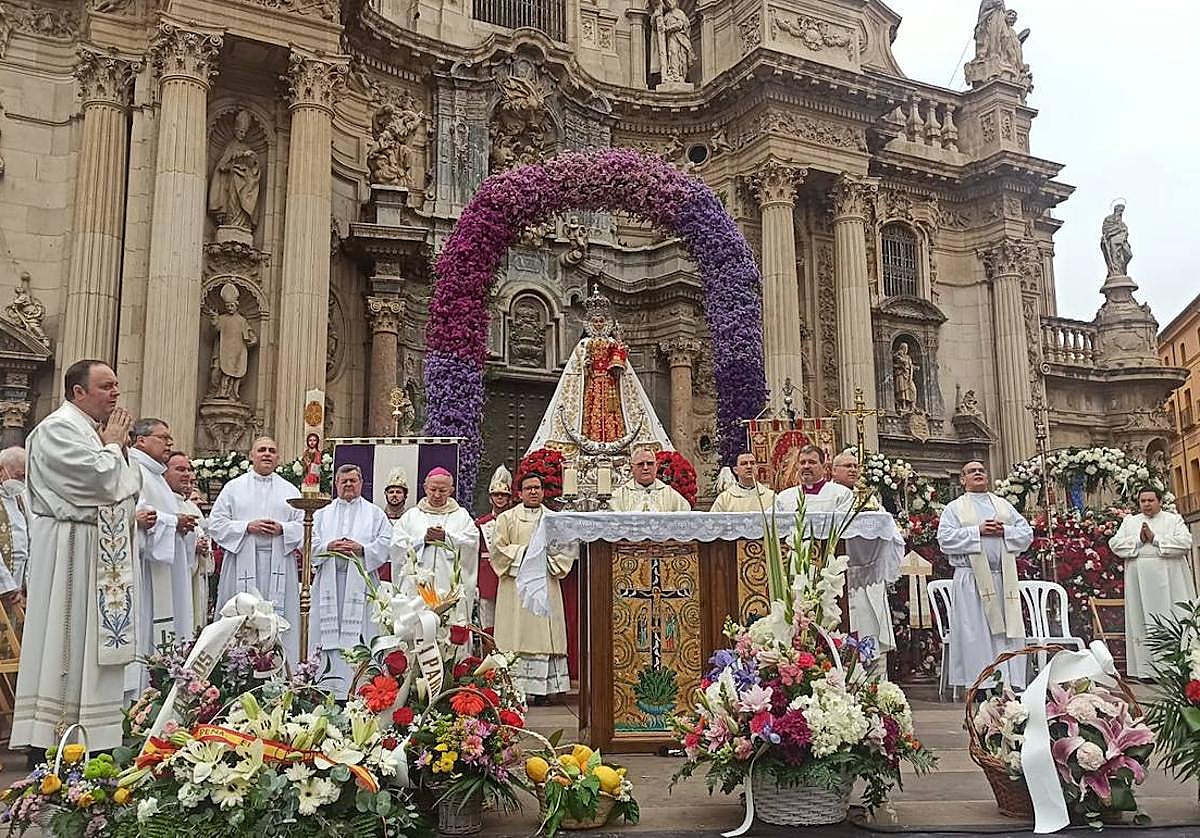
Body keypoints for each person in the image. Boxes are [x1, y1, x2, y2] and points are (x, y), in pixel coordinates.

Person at [12, 359, 141, 752]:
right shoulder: (57, 430)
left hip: (95, 550)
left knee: (90, 643)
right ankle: (53, 734)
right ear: (77, 392)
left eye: (117, 385)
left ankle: (94, 732)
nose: (115, 394)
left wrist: (114, 451)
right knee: (65, 638)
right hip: (68, 549)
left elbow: (128, 487)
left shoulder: (89, 432)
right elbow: (102, 482)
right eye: (106, 386)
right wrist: (115, 447)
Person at [936, 460, 1033, 690]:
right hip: (972, 581)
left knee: (1006, 634)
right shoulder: (955, 508)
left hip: (1003, 580)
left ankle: (1009, 683)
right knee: (977, 633)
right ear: (962, 479)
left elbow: (1026, 534)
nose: (977, 473)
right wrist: (976, 531)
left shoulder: (1003, 506)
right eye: (971, 471)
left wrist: (1005, 530)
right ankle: (981, 685)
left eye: (981, 470)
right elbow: (945, 540)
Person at [208, 436, 304, 662]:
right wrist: (246, 527)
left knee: (282, 619)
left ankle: (283, 671)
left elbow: (305, 527)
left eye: (272, 450)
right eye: (262, 450)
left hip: (279, 562)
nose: (267, 454)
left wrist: (282, 528)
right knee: (239, 618)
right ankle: (235, 668)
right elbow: (216, 524)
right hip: (241, 559)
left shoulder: (289, 490)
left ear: (278, 457)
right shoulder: (233, 488)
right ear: (251, 455)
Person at [491, 473, 577, 703]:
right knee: (516, 635)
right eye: (528, 488)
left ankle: (546, 691)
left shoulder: (554, 520)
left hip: (546, 582)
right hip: (516, 588)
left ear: (543, 491)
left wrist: (543, 559)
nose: (533, 492)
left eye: (537, 487)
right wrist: (529, 554)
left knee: (543, 636)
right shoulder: (507, 519)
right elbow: (498, 551)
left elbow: (566, 550)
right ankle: (514, 690)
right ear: (519, 493)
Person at [311, 465, 392, 696]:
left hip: (362, 584)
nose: (348, 485)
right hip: (329, 581)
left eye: (353, 481)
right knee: (325, 633)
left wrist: (362, 548)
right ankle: (324, 685)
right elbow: (308, 541)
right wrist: (328, 546)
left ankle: (361, 687)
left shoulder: (375, 513)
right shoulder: (322, 514)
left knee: (363, 632)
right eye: (344, 481)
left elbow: (387, 542)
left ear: (361, 483)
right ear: (336, 484)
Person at [1108, 487, 1195, 680]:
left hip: (1171, 580)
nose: (1146, 504)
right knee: (1141, 620)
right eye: (1143, 501)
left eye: (1150, 500)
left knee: (1172, 619)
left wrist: (1155, 539)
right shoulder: (1131, 522)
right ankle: (1145, 670)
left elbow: (1184, 543)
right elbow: (1115, 544)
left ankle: (1174, 669)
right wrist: (1139, 541)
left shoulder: (1173, 520)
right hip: (1139, 581)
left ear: (1160, 501)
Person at [129, 419, 197, 653]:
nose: (169, 443)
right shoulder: (133, 469)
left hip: (168, 566)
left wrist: (179, 524)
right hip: (148, 569)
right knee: (149, 624)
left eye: (170, 439)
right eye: (162, 437)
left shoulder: (156, 474)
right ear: (141, 440)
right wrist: (174, 521)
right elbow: (139, 514)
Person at [829, 450, 896, 675]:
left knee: (874, 638)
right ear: (833, 470)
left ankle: (879, 689)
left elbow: (888, 529)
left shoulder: (870, 497)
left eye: (855, 466)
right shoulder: (830, 495)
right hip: (839, 577)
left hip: (868, 576)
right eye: (847, 465)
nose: (853, 469)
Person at [391, 467, 478, 626]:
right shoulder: (411, 516)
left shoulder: (462, 516)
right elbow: (397, 545)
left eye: (442, 490)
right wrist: (422, 540)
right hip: (418, 589)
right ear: (425, 488)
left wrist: (447, 538)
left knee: (449, 630)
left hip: (448, 585)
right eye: (433, 489)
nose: (437, 495)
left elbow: (471, 542)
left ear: (451, 490)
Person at [164, 451, 212, 632]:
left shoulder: (191, 507)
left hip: (193, 577)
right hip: (172, 577)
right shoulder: (164, 500)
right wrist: (193, 546)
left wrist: (203, 547)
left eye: (189, 470)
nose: (187, 475)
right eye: (180, 469)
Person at [475, 465, 513, 633]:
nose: (500, 498)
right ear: (490, 498)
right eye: (496, 495)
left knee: (509, 622)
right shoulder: (480, 523)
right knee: (487, 622)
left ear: (509, 498)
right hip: (487, 576)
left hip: (508, 575)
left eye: (503, 495)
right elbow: (473, 555)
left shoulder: (515, 521)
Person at [610, 444, 689, 512]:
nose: (645, 467)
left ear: (656, 467)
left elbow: (685, 513)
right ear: (632, 468)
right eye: (640, 464)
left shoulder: (669, 494)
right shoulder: (620, 496)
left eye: (650, 463)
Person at [776, 445, 852, 512]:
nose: (806, 466)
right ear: (797, 467)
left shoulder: (841, 494)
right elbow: (770, 521)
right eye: (802, 463)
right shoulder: (784, 497)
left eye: (812, 462)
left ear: (824, 466)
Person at [0, 446, 28, 589]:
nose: (22, 481)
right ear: (1, 471)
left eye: (25, 477)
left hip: (19, 581)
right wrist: (7, 587)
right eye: (18, 476)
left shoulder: (20, 498)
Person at [711, 451, 775, 512]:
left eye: (752, 463)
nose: (749, 467)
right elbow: (713, 521)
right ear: (735, 470)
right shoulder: (725, 499)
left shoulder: (771, 497)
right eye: (744, 463)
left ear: (757, 467)